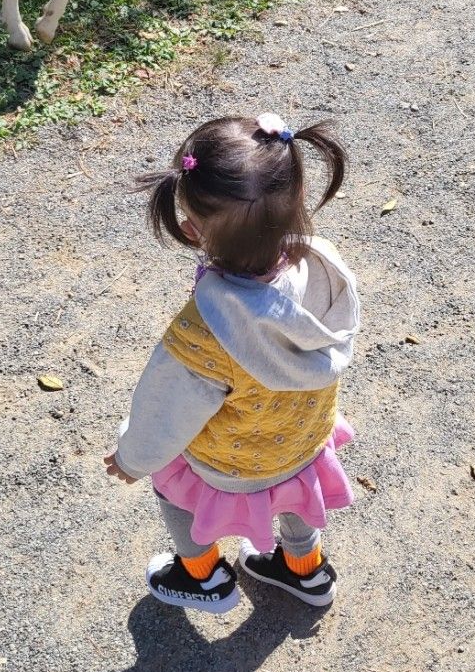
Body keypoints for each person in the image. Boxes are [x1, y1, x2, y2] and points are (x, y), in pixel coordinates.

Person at [104, 112, 360, 614]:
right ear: (296, 201)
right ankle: (303, 572)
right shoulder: (325, 271)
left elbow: (165, 411)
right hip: (302, 438)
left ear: (191, 229)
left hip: (230, 458)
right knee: (295, 498)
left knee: (173, 485)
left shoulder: (202, 334)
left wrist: (132, 458)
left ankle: (201, 578)